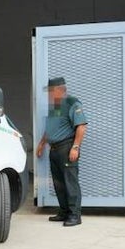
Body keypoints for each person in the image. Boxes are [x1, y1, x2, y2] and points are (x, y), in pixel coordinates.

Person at [35, 76, 88, 227]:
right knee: (59, 183)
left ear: (59, 90)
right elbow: (51, 128)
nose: (49, 95)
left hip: (66, 148)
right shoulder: (55, 106)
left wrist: (75, 147)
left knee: (70, 182)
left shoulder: (72, 103)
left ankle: (75, 215)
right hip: (54, 149)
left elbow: (81, 126)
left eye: (51, 91)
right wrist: (41, 144)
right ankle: (64, 212)